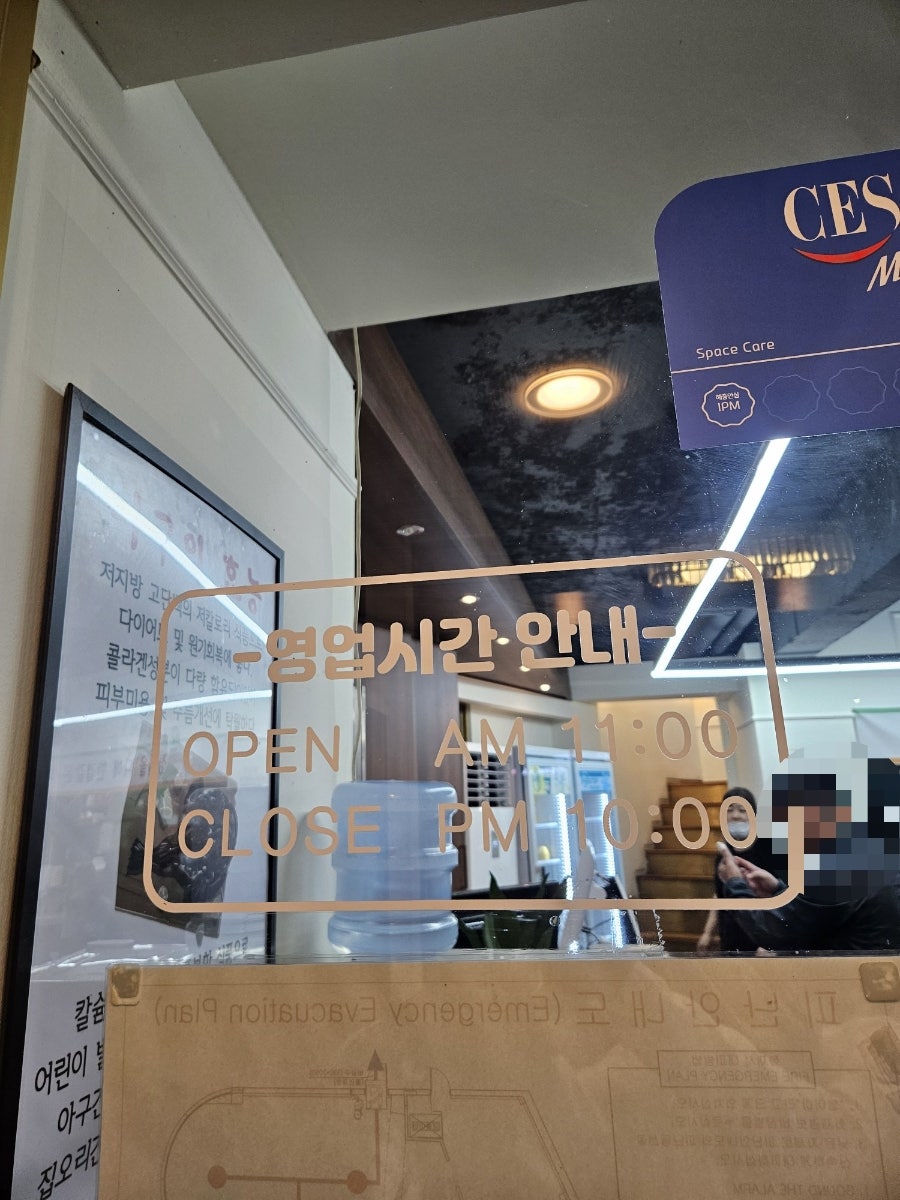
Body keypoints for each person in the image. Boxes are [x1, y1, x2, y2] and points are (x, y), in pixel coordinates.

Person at [716, 841, 900, 954]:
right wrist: (778, 890)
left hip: (852, 990)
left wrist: (734, 883)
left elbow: (771, 930)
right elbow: (821, 911)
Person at [696, 786, 775, 954]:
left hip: (761, 937)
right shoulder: (724, 852)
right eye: (729, 809)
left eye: (742, 810)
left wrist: (771, 941)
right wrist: (707, 932)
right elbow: (720, 895)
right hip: (731, 935)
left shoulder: (767, 848)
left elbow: (777, 897)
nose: (735, 815)